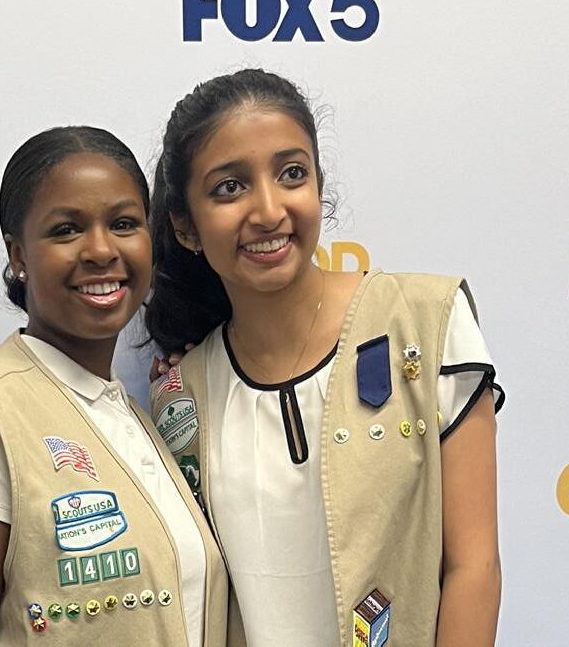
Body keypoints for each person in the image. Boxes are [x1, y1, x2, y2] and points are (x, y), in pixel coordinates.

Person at [145, 70, 505, 647]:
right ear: (185, 226)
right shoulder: (183, 393)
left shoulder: (427, 322)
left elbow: (474, 567)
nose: (268, 210)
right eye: (230, 188)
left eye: (292, 173)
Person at [0, 126, 232, 647]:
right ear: (18, 255)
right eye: (66, 230)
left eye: (123, 224)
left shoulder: (129, 414)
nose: (100, 250)